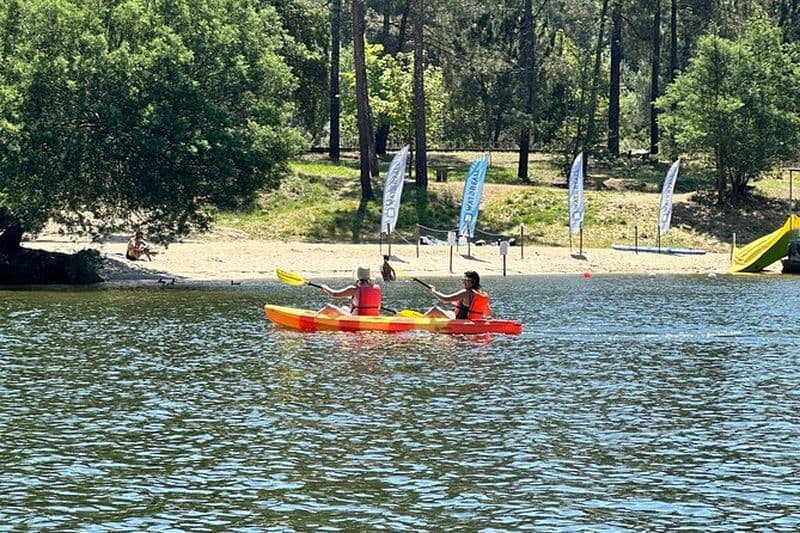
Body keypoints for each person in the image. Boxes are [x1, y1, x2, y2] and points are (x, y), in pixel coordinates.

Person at [423, 270, 491, 320]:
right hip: (469, 320)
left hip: (460, 320)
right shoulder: (481, 294)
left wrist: (433, 291)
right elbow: (488, 312)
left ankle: (419, 321)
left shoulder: (466, 292)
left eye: (466, 280)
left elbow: (445, 299)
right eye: (463, 280)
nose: (463, 282)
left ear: (473, 281)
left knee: (435, 310)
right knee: (449, 312)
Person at [318, 266, 382, 316]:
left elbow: (334, 294)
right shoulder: (376, 288)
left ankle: (313, 318)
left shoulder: (354, 288)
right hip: (372, 316)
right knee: (344, 308)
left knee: (328, 307)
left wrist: (325, 287)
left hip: (358, 317)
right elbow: (376, 305)